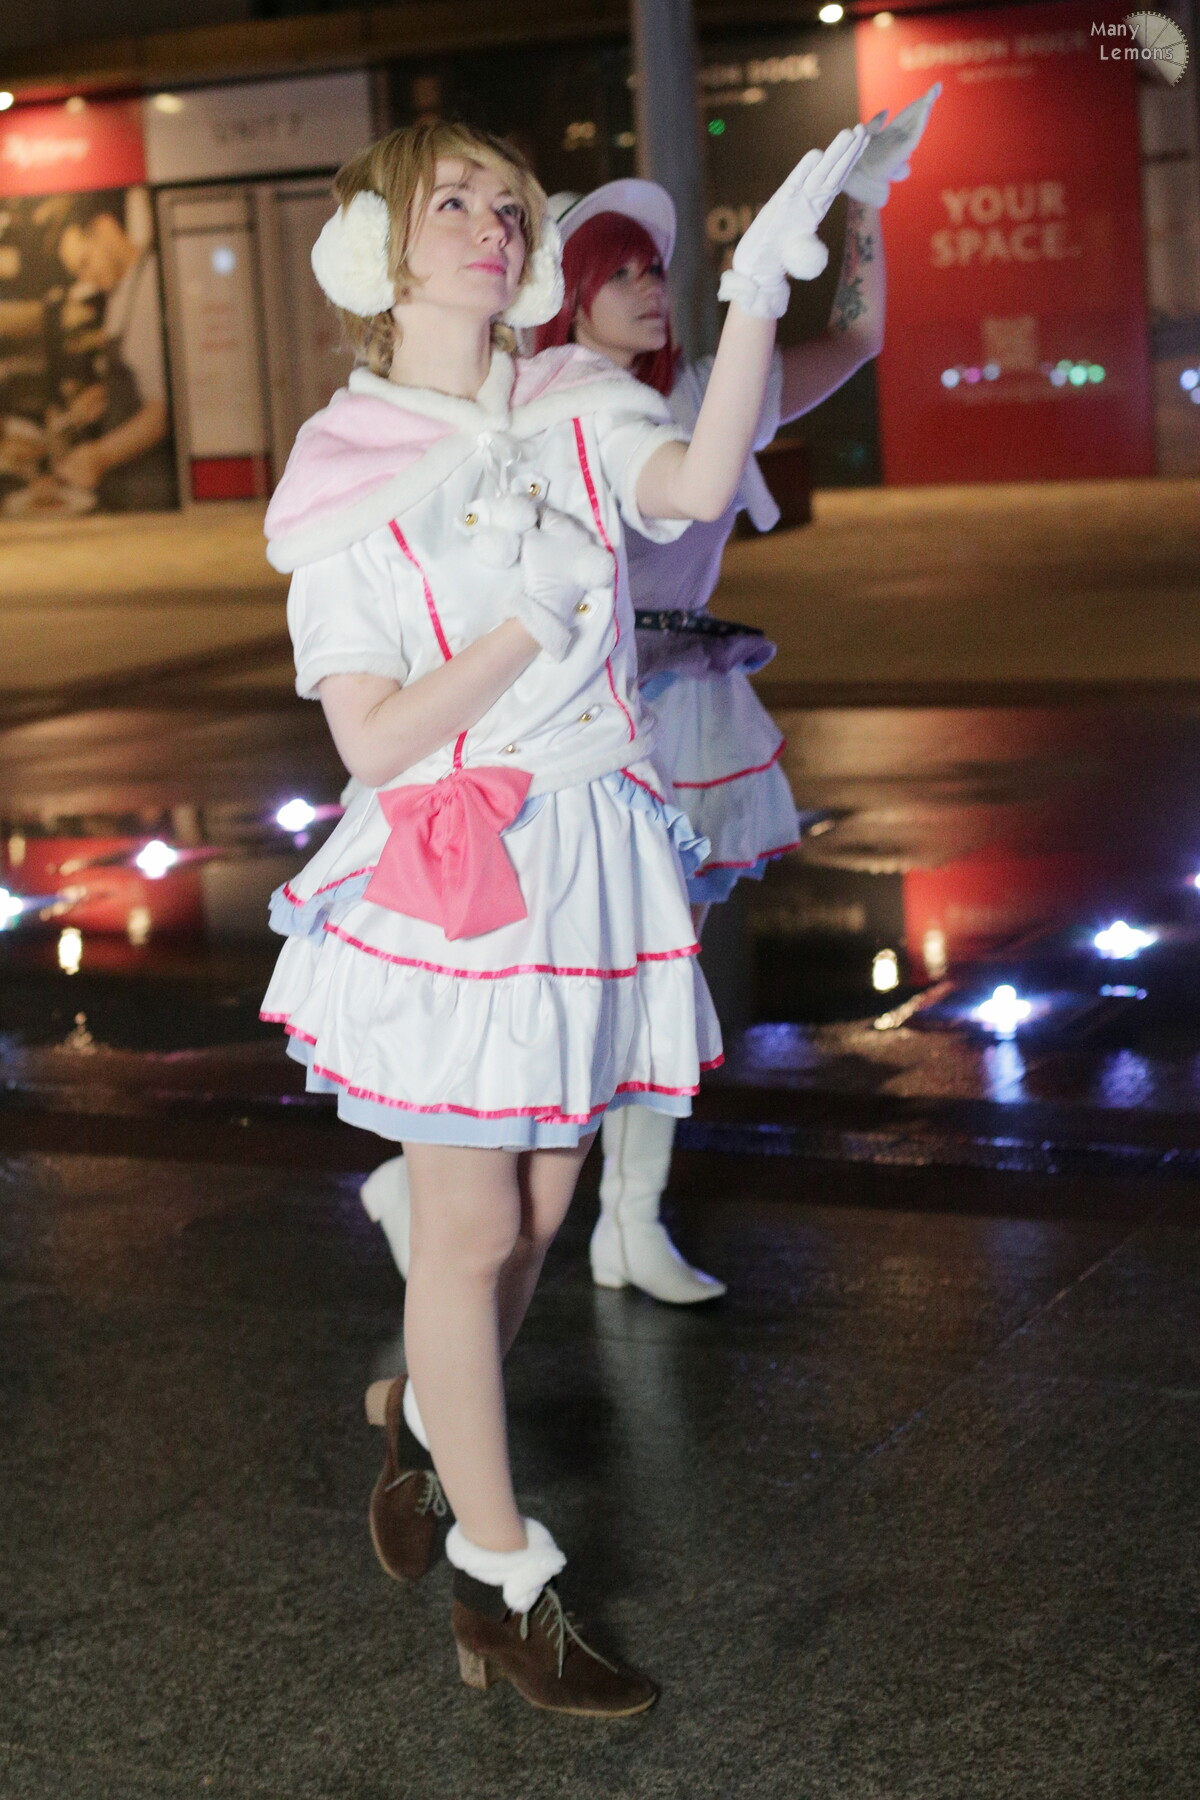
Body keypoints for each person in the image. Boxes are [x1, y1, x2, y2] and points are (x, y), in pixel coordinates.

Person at [261, 116, 867, 1715]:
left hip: (592, 850)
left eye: (506, 204)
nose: (493, 224)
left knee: (535, 1219)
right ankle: (499, 1579)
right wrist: (524, 629)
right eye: (451, 202)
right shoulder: (343, 472)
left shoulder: (571, 401)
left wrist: (756, 293)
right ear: (377, 255)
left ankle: (422, 1419)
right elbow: (374, 741)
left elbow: (698, 476)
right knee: (470, 1231)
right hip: (458, 871)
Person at [359, 87, 940, 1306]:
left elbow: (858, 340)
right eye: (618, 269)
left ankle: (628, 1218)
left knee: (653, 966)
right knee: (561, 972)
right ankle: (438, 1180)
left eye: (655, 269)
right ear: (563, 292)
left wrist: (865, 205)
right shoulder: (525, 411)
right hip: (565, 719)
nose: (648, 286)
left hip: (684, 700)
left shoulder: (698, 395)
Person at [50, 197, 174, 510]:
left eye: (85, 262)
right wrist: (105, 396)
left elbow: (163, 412)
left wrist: (98, 457)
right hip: (128, 489)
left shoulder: (152, 285)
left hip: (152, 492)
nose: (86, 279)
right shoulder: (121, 291)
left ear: (105, 228)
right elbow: (138, 379)